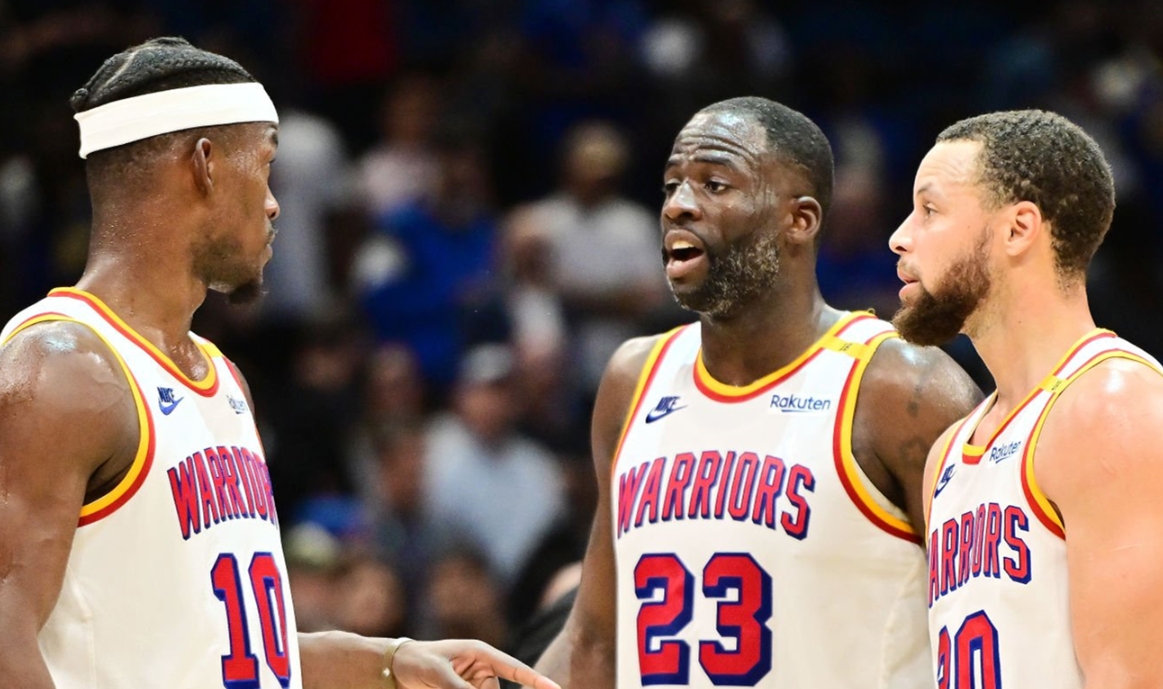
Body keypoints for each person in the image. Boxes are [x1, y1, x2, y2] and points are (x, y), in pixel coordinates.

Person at [0, 37, 559, 689]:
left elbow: (233, 647)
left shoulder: (222, 378)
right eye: (265, 166)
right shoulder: (60, 370)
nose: (274, 203)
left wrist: (390, 659)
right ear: (204, 164)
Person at [534, 96, 982, 688]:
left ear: (800, 220)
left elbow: (991, 626)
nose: (678, 206)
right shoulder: (633, 379)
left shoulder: (901, 389)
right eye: (672, 185)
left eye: (714, 184)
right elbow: (593, 640)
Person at [891, 109, 1163, 688]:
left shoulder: (1112, 408)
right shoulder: (949, 452)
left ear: (1018, 229)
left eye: (930, 211)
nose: (901, 237)